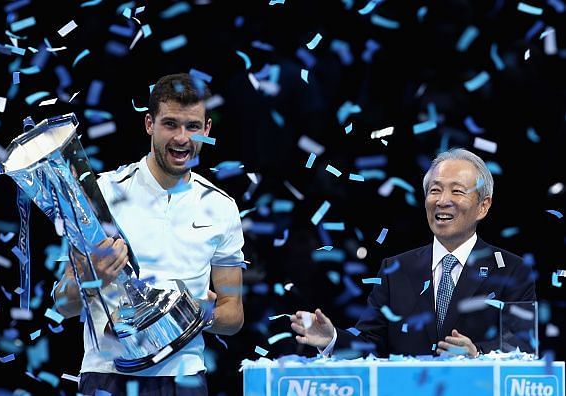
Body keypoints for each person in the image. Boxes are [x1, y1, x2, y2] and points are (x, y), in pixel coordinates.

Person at [54, 72, 246, 395]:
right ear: (149, 125)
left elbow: (233, 313)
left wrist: (199, 313)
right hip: (107, 377)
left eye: (193, 126)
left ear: (207, 130)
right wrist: (90, 278)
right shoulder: (101, 194)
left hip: (184, 380)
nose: (182, 138)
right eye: (170, 124)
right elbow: (62, 303)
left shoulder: (222, 207)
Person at [291, 148, 536, 358]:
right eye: (435, 190)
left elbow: (521, 348)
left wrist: (477, 354)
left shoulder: (512, 270)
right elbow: (370, 344)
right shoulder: (394, 269)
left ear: (483, 206)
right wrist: (332, 339)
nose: (442, 201)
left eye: (457, 191)